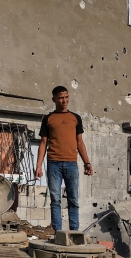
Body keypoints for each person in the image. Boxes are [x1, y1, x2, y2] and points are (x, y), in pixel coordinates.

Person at [35, 85, 93, 232]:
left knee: (73, 200)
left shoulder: (75, 118)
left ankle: (74, 232)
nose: (64, 100)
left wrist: (87, 162)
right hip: (53, 164)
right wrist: (39, 166)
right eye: (61, 98)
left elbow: (80, 142)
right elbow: (43, 143)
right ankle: (58, 233)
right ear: (54, 99)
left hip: (71, 164)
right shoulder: (48, 119)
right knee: (55, 200)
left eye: (66, 97)